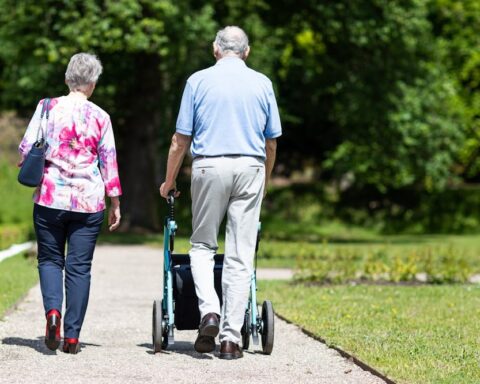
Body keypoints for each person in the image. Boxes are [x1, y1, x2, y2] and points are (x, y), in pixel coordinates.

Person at [160, 26, 281, 359]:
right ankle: (230, 339)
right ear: (247, 51)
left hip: (209, 166)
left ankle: (209, 312)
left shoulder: (197, 82)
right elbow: (271, 142)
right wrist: (265, 179)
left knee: (201, 245)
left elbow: (179, 140)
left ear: (215, 49)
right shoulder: (262, 83)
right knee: (241, 253)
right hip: (251, 167)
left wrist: (169, 181)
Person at [18, 53, 122, 354]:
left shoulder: (47, 107)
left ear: (67, 79)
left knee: (50, 260)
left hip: (51, 197)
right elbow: (109, 162)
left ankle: (53, 313)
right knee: (79, 268)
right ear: (92, 84)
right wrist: (114, 202)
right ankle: (73, 337)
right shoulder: (101, 117)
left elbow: (26, 148)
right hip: (88, 202)